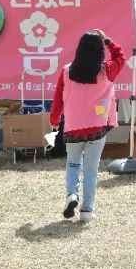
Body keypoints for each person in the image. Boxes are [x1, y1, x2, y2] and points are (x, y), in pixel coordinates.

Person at [49, 30, 124, 222]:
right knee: (91, 170)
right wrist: (107, 40)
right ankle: (87, 211)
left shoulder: (67, 71)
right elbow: (120, 57)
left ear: (79, 49)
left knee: (73, 164)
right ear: (100, 51)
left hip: (73, 127)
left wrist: (54, 119)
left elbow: (58, 98)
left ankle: (72, 195)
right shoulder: (106, 70)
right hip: (97, 128)